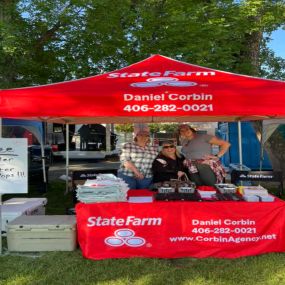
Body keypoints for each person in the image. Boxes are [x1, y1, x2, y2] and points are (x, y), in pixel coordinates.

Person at [118, 123, 158, 189]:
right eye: (140, 135)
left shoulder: (153, 148)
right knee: (128, 196)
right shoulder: (128, 146)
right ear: (136, 136)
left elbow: (158, 161)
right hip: (128, 175)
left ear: (149, 137)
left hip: (146, 177)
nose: (143, 137)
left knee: (144, 196)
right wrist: (137, 172)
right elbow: (125, 161)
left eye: (146, 135)